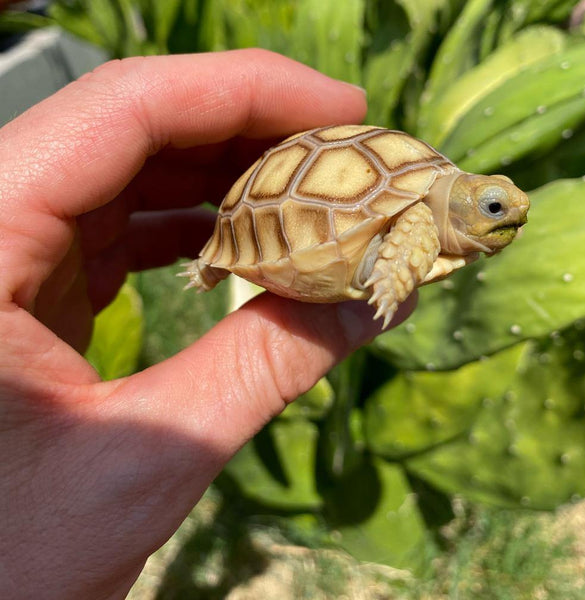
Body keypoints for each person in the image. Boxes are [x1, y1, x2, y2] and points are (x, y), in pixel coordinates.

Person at [0, 49, 416, 599]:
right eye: (492, 209)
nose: (510, 219)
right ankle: (214, 259)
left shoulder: (428, 201)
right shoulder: (416, 221)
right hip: (295, 206)